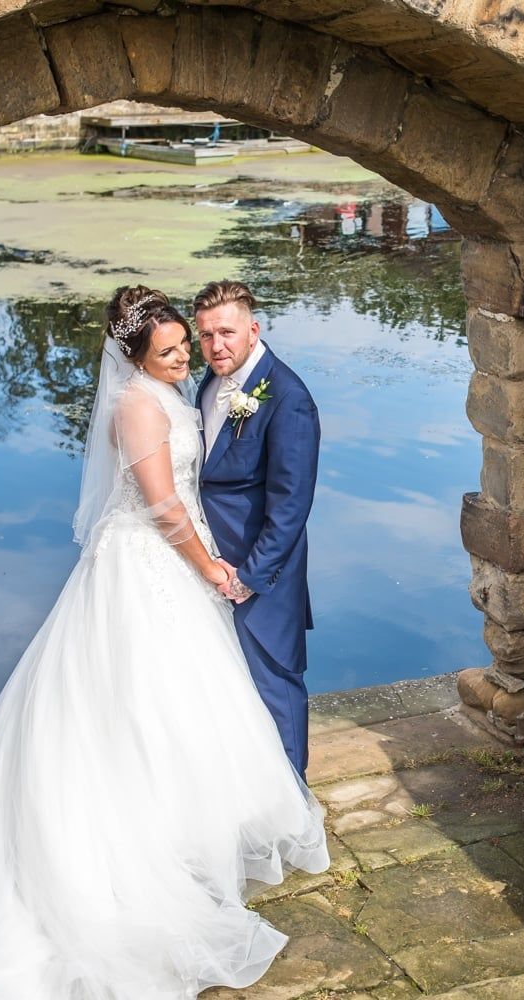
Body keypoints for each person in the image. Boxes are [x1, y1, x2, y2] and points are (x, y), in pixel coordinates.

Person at [0, 285, 329, 1000]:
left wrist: (233, 569)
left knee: (204, 697)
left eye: (196, 342)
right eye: (175, 349)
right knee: (131, 704)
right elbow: (162, 506)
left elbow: (282, 496)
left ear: (246, 330)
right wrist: (211, 566)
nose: (193, 357)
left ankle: (221, 822)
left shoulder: (222, 391)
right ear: (136, 358)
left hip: (203, 569)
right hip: (149, 565)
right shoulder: (137, 405)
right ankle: (137, 849)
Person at [195, 281, 320, 780]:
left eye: (226, 332)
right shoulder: (209, 382)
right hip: (208, 566)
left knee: (275, 684)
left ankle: (295, 804)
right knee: (225, 685)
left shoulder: (288, 398)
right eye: (205, 335)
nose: (215, 345)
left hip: (258, 574)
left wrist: (248, 576)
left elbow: (290, 507)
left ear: (253, 329)